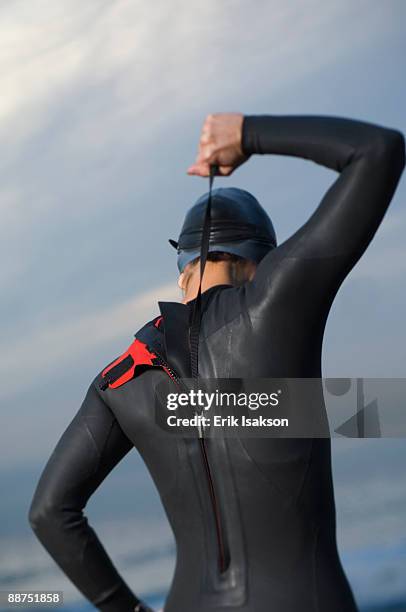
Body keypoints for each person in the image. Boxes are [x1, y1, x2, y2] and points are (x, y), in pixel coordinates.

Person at [28, 112, 405, 612]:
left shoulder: (119, 378)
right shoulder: (275, 301)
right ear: (259, 262)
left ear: (183, 265)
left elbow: (49, 512)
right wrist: (247, 134)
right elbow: (379, 150)